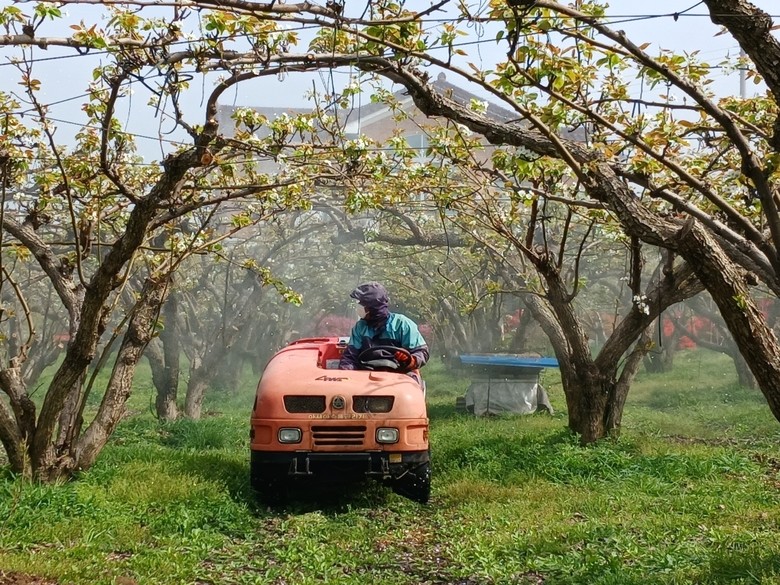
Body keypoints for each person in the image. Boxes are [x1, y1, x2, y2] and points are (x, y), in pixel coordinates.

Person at [339, 282, 429, 371]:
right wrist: (346, 372)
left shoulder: (402, 324)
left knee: (412, 383)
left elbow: (422, 352)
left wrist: (410, 360)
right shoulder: (360, 327)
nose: (358, 307)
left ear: (373, 308)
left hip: (400, 375)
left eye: (362, 304)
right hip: (366, 375)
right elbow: (350, 357)